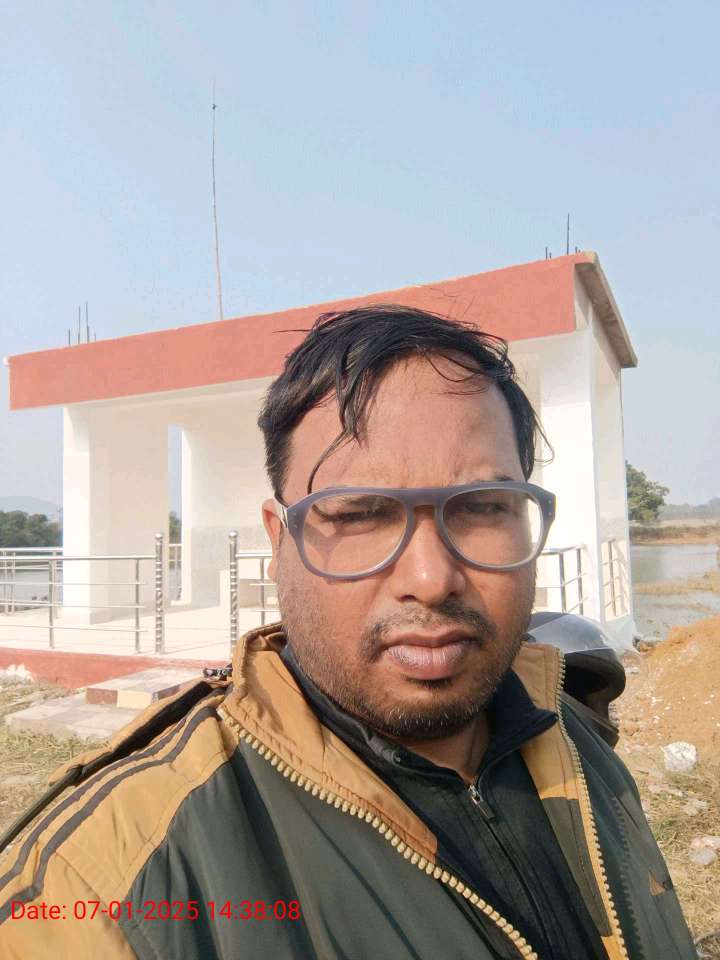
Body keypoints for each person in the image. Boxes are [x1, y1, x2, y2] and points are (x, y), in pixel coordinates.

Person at [0, 306, 696, 959]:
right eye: (360, 513)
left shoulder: (571, 729)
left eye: (483, 506)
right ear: (280, 541)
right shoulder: (103, 885)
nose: (431, 578)